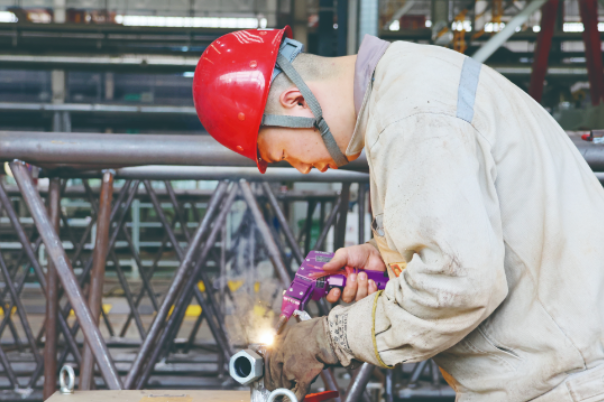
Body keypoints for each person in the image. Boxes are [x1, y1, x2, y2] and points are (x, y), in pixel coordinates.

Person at [193, 27, 604, 402]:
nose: (299, 168)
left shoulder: (412, 119)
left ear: (296, 102)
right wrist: (391, 256)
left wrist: (328, 337)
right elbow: (479, 236)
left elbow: (456, 285)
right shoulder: (410, 82)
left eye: (282, 152)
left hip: (568, 385)